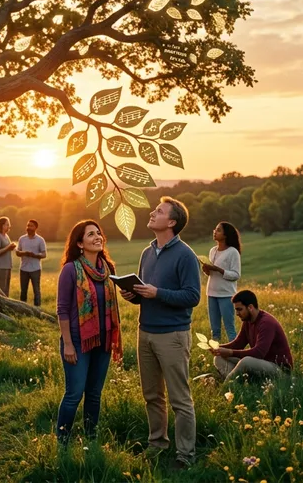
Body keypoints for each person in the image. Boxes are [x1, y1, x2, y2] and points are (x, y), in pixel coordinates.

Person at [120, 197, 201, 469]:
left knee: (179, 398)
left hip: (173, 336)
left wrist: (157, 293)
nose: (153, 213)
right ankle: (157, 444)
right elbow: (147, 295)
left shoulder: (186, 255)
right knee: (152, 395)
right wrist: (133, 294)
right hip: (146, 332)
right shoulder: (147, 252)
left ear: (172, 222)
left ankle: (185, 455)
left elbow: (192, 296)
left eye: (160, 211)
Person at [56, 221, 123, 444]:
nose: (97, 237)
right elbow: (62, 310)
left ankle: (90, 439)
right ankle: (62, 441)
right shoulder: (70, 270)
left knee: (94, 394)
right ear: (79, 243)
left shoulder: (108, 269)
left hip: (102, 339)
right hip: (77, 340)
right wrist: (67, 344)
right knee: (74, 394)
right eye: (90, 234)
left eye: (98, 233)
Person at [210, 289, 293, 382]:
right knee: (219, 357)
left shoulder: (266, 323)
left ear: (250, 307)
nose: (237, 313)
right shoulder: (248, 321)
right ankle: (239, 382)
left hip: (280, 370)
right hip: (260, 365)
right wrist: (217, 348)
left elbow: (259, 353)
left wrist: (230, 352)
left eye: (239, 309)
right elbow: (238, 343)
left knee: (246, 361)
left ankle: (226, 387)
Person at [203, 221, 241, 342]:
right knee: (215, 330)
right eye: (215, 229)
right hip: (211, 294)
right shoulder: (213, 250)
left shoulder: (233, 252)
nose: (215, 232)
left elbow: (236, 275)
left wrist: (218, 269)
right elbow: (212, 274)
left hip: (226, 294)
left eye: (218, 230)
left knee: (229, 328)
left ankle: (234, 354)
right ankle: (216, 354)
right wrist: (207, 270)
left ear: (225, 235)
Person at [16, 219, 46, 306]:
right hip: (23, 269)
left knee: (36, 290)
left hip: (35, 269)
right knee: (23, 291)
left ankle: (37, 309)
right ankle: (23, 308)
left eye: (31, 226)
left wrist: (35, 255)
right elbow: (17, 252)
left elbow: (44, 254)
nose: (28, 227)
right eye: (28, 225)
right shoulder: (22, 239)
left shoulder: (40, 240)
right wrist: (24, 253)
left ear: (36, 228)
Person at [0, 217, 16, 295]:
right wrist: (8, 247)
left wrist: (12, 247)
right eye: (7, 224)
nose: (9, 226)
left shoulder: (6, 236)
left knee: (6, 290)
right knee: (1, 290)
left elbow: (7, 249)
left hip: (8, 266)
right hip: (0, 267)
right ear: (2, 225)